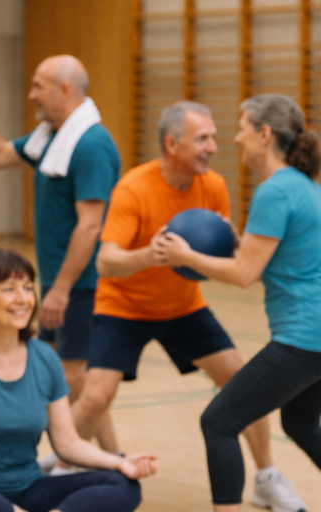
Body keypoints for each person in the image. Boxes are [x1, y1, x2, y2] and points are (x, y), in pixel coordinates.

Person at [70, 100, 305, 511]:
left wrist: (236, 245)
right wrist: (151, 255)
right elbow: (106, 262)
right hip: (124, 308)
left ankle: (266, 477)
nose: (214, 146)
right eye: (203, 139)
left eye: (213, 137)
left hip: (184, 308)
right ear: (172, 144)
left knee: (241, 383)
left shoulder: (213, 186)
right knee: (95, 399)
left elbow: (224, 258)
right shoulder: (134, 187)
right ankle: (62, 465)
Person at [156, 94, 318, 512]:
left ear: (264, 135)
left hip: (303, 338)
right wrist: (242, 243)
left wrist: (185, 255)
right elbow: (275, 263)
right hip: (315, 339)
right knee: (300, 423)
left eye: (242, 128)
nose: (235, 138)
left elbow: (244, 274)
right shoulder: (302, 186)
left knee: (219, 422)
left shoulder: (274, 191)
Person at [0, 248, 155, 512]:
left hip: (26, 490)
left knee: (123, 484)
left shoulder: (44, 357)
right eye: (9, 289)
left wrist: (119, 463)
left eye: (28, 288)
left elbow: (68, 443)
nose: (23, 299)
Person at [0, 50, 120, 472]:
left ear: (64, 90)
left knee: (72, 377)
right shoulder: (50, 136)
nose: (32, 94)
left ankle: (75, 458)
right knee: (69, 376)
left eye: (39, 86)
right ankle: (112, 458)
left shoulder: (91, 145)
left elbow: (90, 226)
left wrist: (61, 289)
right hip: (61, 282)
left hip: (82, 284)